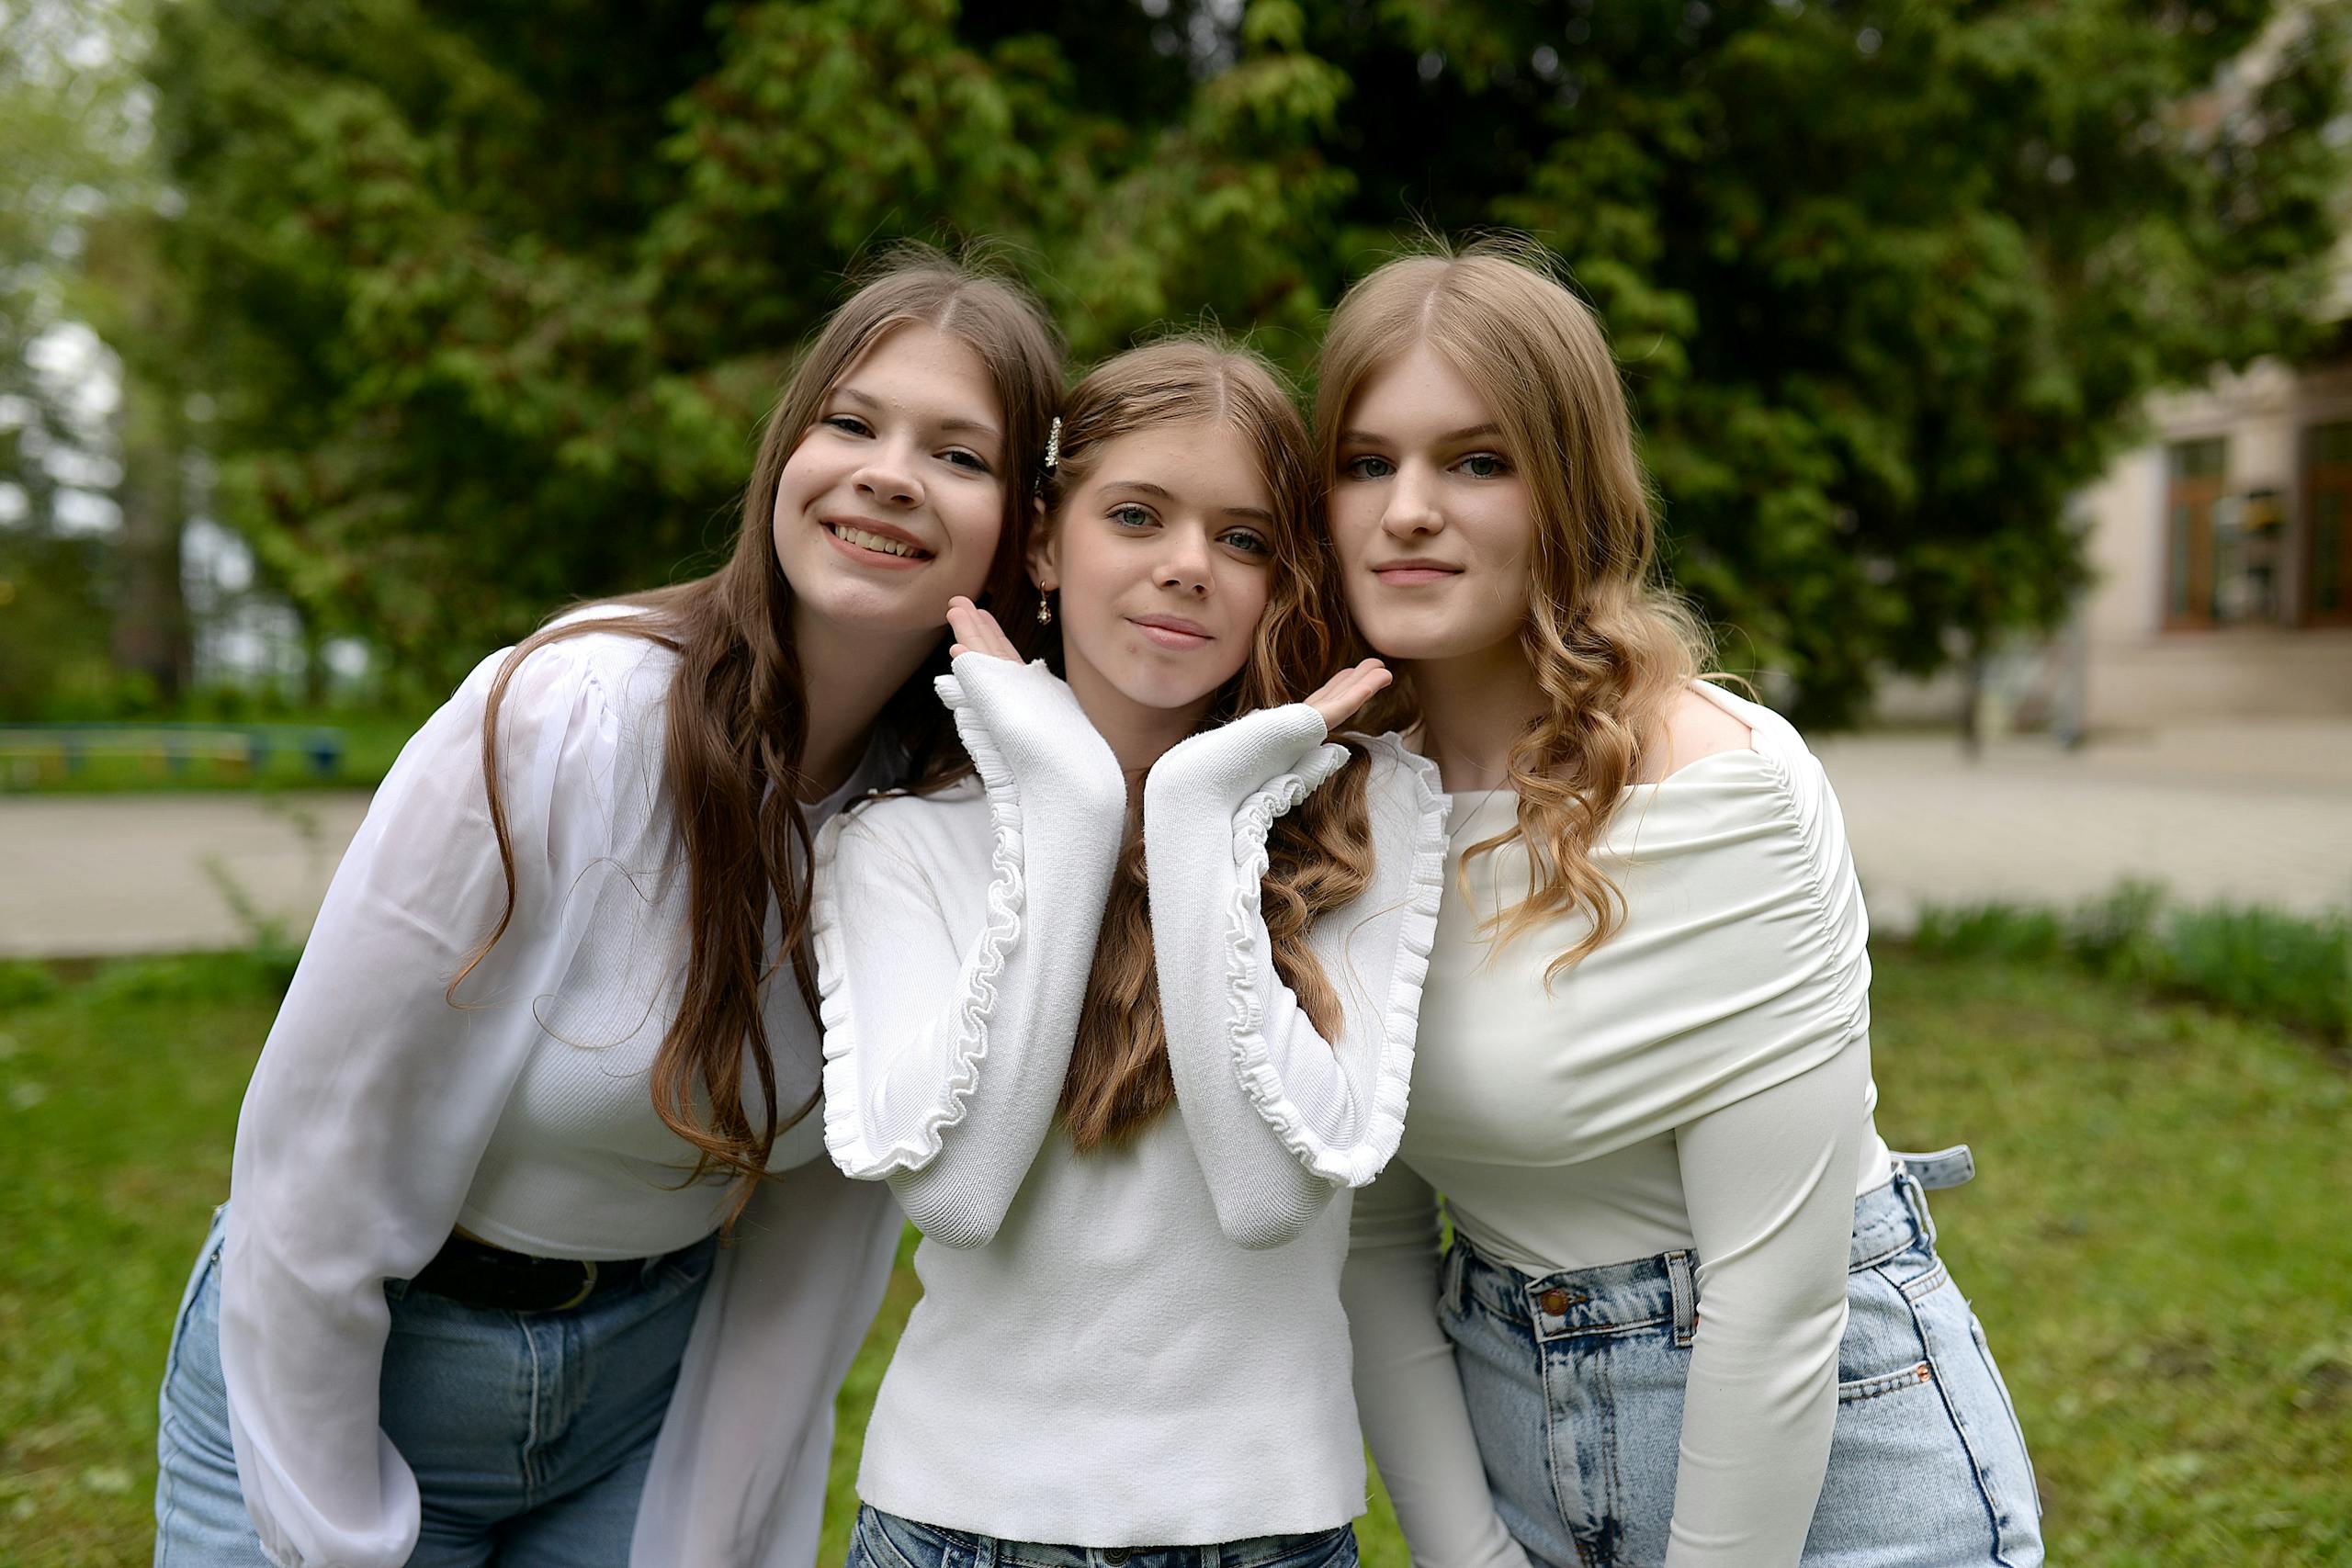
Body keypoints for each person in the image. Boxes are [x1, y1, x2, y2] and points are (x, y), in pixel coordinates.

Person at [151, 249, 1066, 1568]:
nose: (889, 472)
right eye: (852, 422)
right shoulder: (562, 718)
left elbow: (819, 1249)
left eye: (960, 455)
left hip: (638, 1405)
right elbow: (317, 1161)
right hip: (352, 1366)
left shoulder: (954, 831)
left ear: (1024, 531)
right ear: (785, 458)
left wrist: (711, 1530)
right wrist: (332, 1533)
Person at [1323, 243, 2043, 1568]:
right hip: (1515, 1451)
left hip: (1825, 1482)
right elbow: (1365, 1236)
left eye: (1476, 462)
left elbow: (1774, 1307)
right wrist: (1464, 1552)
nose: (1407, 510)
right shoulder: (1340, 799)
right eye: (1367, 462)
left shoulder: (1722, 796)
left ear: (1568, 491)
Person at [812, 338, 1445, 1568]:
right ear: (1046, 544)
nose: (1187, 567)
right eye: (1136, 515)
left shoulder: (1371, 814)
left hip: (1263, 1529)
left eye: (1245, 538)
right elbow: (957, 1190)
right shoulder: (896, 847)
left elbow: (1270, 1195)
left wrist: (1200, 814)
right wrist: (1073, 807)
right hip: (955, 1528)